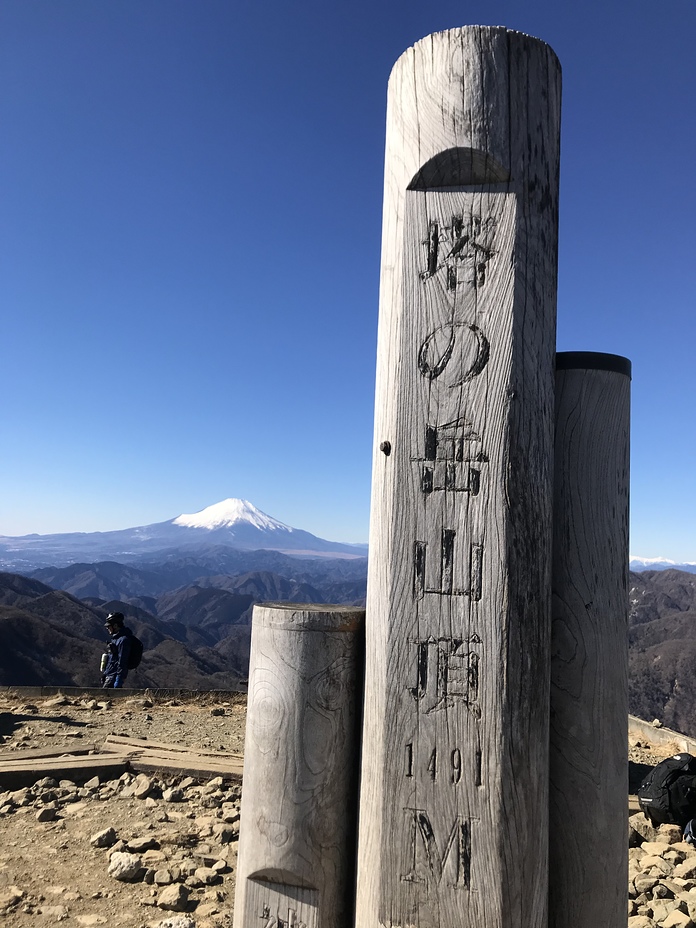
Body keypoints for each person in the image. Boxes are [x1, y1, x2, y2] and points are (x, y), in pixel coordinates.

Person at [101, 612, 133, 688]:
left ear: (115, 625)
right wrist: (105, 673)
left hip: (114, 677)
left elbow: (122, 661)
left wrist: (119, 679)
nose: (107, 628)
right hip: (110, 675)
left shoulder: (123, 640)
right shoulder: (116, 638)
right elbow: (112, 659)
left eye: (109, 626)